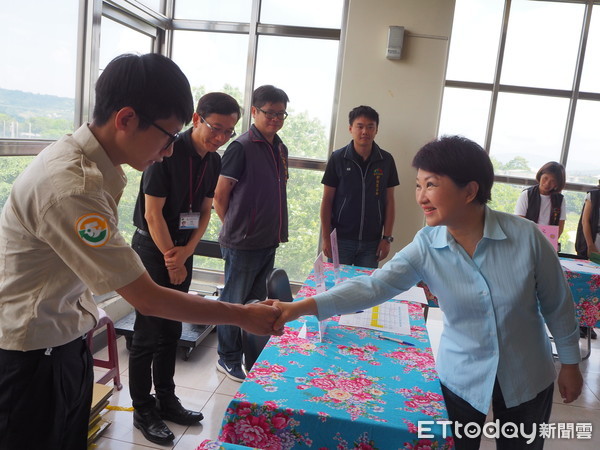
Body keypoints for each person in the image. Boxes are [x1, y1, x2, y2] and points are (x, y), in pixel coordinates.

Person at [0, 53, 281, 450]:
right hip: (32, 352)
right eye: (168, 136)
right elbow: (146, 297)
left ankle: (165, 398)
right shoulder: (72, 185)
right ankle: (146, 406)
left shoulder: (93, 170)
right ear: (127, 118)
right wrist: (241, 316)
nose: (168, 150)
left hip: (63, 336)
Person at [273, 136, 582, 450]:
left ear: (470, 191)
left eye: (431, 184)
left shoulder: (526, 238)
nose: (421, 197)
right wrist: (298, 308)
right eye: (418, 185)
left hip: (527, 373)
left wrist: (570, 364)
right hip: (461, 374)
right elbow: (374, 286)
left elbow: (558, 305)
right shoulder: (426, 245)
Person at [128, 92, 241, 445]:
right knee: (147, 333)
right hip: (153, 247)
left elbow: (205, 211)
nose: (220, 137)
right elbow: (151, 214)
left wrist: (187, 252)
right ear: (197, 118)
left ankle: (166, 399)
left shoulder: (213, 160)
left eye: (229, 131)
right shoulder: (167, 151)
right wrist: (170, 257)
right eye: (215, 128)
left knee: (171, 331)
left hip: (181, 248)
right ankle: (142, 409)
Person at [213, 85, 290, 382]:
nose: (276, 118)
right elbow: (221, 195)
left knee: (255, 304)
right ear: (255, 112)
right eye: (269, 112)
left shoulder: (279, 147)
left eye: (281, 113)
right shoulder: (241, 146)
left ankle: (252, 358)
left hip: (268, 239)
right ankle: (227, 358)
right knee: (233, 304)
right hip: (242, 244)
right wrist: (234, 227)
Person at [320, 105, 399, 268]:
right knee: (337, 289)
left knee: (365, 291)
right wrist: (326, 238)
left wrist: (387, 238)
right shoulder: (338, 158)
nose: (365, 131)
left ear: (376, 130)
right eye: (360, 126)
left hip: (372, 243)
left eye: (370, 127)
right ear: (350, 129)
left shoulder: (386, 160)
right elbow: (327, 200)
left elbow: (389, 202)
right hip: (341, 240)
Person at [514, 161, 567, 238]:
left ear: (557, 184)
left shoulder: (560, 200)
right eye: (545, 178)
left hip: (548, 240)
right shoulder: (526, 194)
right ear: (540, 175)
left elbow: (560, 226)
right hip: (527, 237)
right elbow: (519, 221)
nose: (547, 183)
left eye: (553, 181)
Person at [575, 182, 600, 340]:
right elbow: (585, 222)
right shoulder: (593, 195)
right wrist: (590, 245)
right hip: (592, 240)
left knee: (597, 285)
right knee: (586, 283)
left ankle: (590, 323)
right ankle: (579, 323)